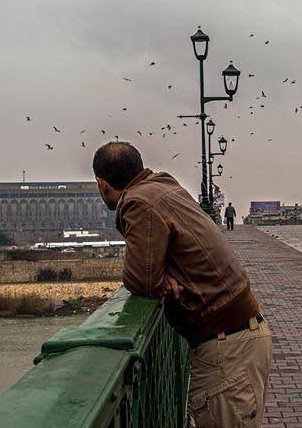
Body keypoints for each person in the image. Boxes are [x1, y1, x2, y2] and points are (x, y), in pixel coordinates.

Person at [93, 142, 272, 427]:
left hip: (225, 347)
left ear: (102, 184)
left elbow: (140, 279)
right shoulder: (163, 185)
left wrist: (157, 277)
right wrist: (162, 275)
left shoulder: (138, 202)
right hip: (239, 336)